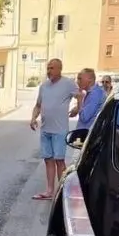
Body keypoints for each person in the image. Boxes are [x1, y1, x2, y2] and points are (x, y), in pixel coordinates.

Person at [30, 59, 80, 200]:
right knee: (48, 160)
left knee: (59, 161)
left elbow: (80, 95)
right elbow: (38, 105)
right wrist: (33, 118)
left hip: (59, 130)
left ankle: (62, 192)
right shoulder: (44, 86)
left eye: (52, 68)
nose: (49, 71)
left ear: (59, 69)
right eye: (48, 68)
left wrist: (78, 108)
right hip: (45, 129)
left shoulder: (68, 83)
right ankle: (50, 191)